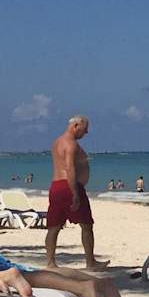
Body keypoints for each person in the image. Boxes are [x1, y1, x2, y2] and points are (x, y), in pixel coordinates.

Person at [46, 114, 106, 271]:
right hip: (69, 186)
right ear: (75, 126)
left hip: (56, 186)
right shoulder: (71, 144)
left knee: (54, 227)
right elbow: (69, 168)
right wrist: (75, 193)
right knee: (86, 225)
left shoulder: (57, 142)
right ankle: (90, 262)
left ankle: (50, 262)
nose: (86, 133)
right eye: (84, 129)